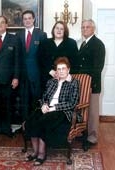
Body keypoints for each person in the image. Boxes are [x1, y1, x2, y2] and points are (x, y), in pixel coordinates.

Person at [24, 57, 79, 166]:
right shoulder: (51, 81)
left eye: (63, 68)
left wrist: (54, 107)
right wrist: (44, 105)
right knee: (31, 120)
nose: (61, 71)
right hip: (47, 108)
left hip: (62, 111)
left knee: (43, 121)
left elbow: (72, 103)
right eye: (59, 69)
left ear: (68, 69)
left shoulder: (74, 82)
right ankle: (35, 152)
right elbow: (44, 97)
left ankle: (41, 154)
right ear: (56, 71)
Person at [72, 19, 105, 148]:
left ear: (93, 29)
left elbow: (97, 68)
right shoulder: (83, 44)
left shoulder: (98, 44)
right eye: (83, 27)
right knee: (83, 110)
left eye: (87, 27)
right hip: (82, 83)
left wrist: (88, 84)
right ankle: (83, 133)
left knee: (92, 112)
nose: (84, 29)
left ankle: (92, 137)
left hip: (92, 84)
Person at [16, 10, 47, 122]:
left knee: (36, 101)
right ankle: (26, 128)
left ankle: (36, 127)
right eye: (25, 19)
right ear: (22, 21)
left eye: (29, 18)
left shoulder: (41, 35)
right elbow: (17, 56)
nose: (27, 20)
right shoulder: (18, 35)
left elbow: (44, 57)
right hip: (23, 76)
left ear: (34, 19)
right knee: (24, 103)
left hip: (36, 75)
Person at [38, 21, 78, 92]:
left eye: (61, 29)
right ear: (53, 30)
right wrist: (50, 71)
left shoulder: (72, 43)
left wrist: (64, 74)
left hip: (65, 79)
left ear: (65, 31)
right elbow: (40, 60)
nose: (59, 30)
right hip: (47, 78)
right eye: (57, 28)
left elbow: (75, 62)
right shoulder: (45, 43)